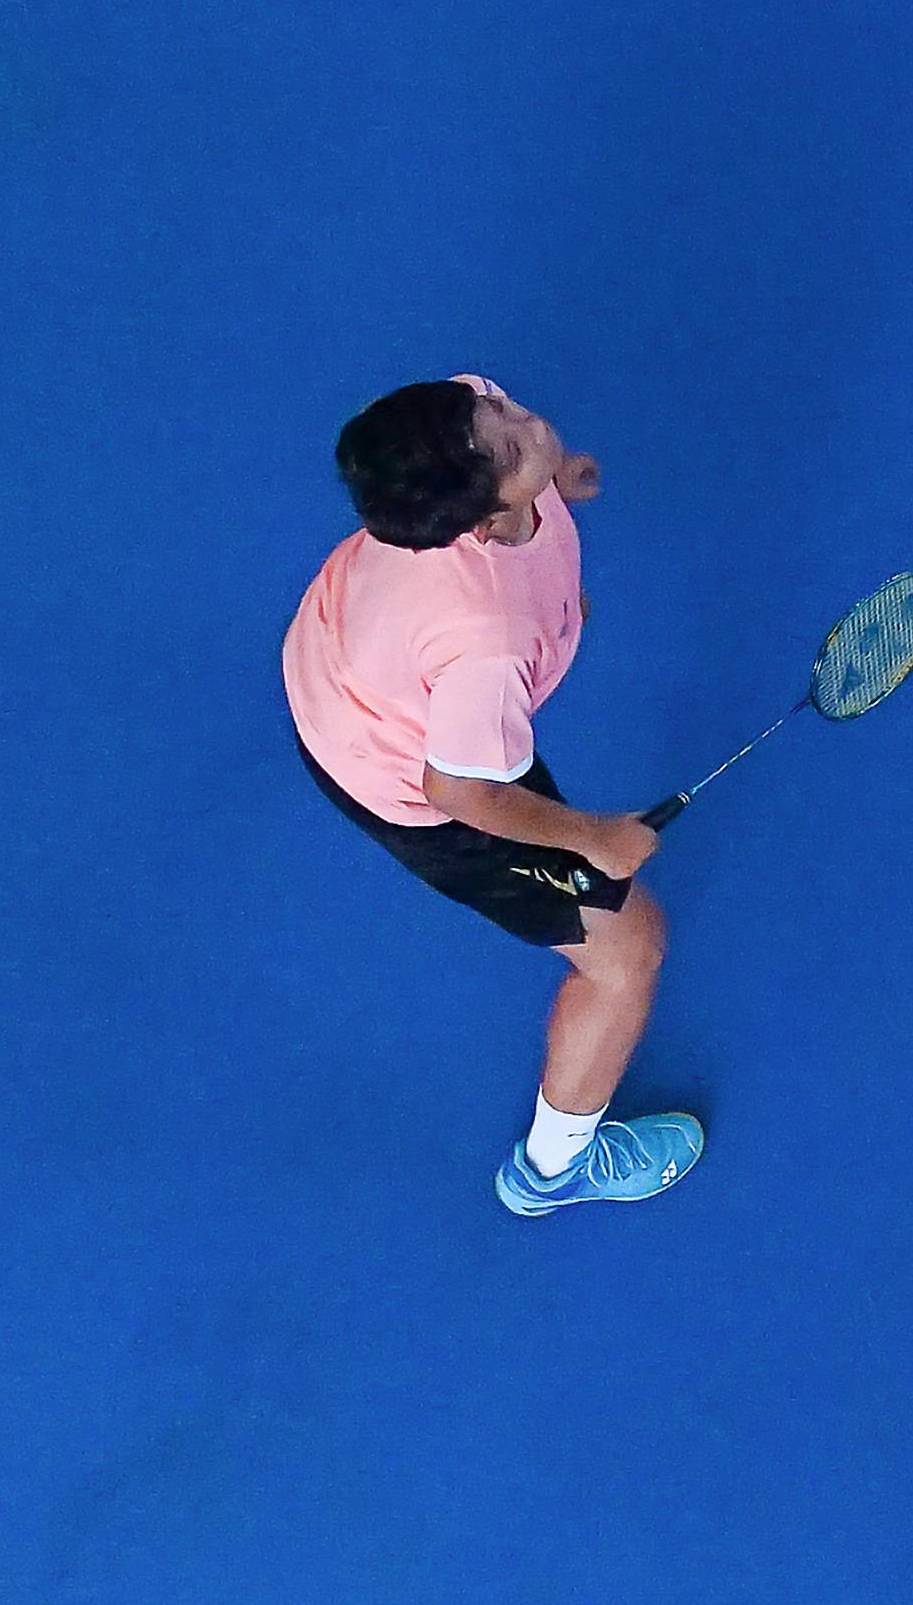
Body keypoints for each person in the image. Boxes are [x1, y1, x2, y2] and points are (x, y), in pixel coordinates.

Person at [282, 372, 705, 1219]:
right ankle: (552, 1172)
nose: (526, 418)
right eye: (516, 444)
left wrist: (548, 475)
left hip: (351, 662)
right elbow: (462, 787)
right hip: (407, 772)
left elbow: (504, 438)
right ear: (481, 519)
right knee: (630, 954)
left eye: (501, 409)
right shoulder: (485, 640)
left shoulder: (459, 421)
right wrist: (592, 836)